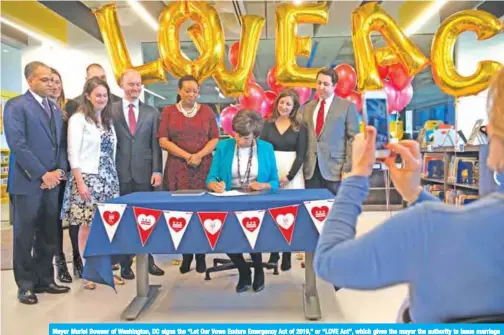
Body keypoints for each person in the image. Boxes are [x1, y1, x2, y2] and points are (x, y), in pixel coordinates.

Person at [314, 67, 504, 323]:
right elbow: (460, 235)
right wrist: (415, 194)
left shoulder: (426, 226)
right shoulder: (439, 225)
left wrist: (357, 174)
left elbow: (329, 263)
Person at [4, 61, 71, 304]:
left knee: (49, 233)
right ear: (30, 80)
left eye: (53, 80)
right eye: (45, 80)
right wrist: (43, 174)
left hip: (53, 183)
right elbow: (18, 144)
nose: (51, 84)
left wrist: (60, 171)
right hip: (28, 182)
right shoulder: (16, 106)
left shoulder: (54, 109)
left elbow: (61, 145)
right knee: (24, 235)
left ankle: (45, 279)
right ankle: (26, 285)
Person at [60, 77, 124, 290]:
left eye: (105, 95)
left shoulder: (106, 120)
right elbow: (72, 153)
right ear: (88, 96)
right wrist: (80, 183)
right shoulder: (78, 119)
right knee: (87, 226)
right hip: (87, 178)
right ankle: (89, 272)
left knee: (107, 225)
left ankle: (105, 270)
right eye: (98, 95)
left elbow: (110, 152)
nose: (102, 99)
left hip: (108, 177)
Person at [206, 110, 280, 293]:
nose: (239, 141)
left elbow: (275, 181)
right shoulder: (224, 147)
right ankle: (243, 270)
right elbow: (210, 178)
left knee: (253, 235)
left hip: (256, 202)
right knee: (226, 238)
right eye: (237, 135)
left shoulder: (266, 148)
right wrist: (215, 185)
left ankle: (258, 269)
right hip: (229, 200)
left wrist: (263, 186)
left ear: (255, 135)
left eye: (245, 137)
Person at [158, 75, 219, 274]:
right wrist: (187, 156)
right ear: (179, 91)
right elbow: (163, 140)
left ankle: (201, 256)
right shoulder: (168, 112)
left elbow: (215, 139)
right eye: (187, 90)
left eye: (195, 91)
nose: (191, 94)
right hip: (178, 168)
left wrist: (199, 156)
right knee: (181, 213)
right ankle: (186, 256)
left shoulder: (207, 111)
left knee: (202, 213)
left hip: (203, 168)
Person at [113, 69, 164, 279]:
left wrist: (157, 170)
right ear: (122, 85)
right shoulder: (111, 110)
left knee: (146, 219)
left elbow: (156, 145)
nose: (135, 88)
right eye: (131, 84)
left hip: (145, 174)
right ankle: (125, 263)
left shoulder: (151, 112)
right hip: (120, 172)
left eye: (138, 84)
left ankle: (149, 260)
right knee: (124, 220)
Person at [260, 88, 307, 271]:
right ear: (276, 103)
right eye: (281, 102)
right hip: (272, 171)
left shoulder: (300, 127)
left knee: (290, 215)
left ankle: (287, 253)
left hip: (291, 173)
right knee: (273, 213)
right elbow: (262, 151)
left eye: (288, 103)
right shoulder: (267, 124)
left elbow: (301, 156)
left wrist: (288, 177)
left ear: (294, 106)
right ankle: (274, 252)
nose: (284, 106)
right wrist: (271, 176)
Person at [48, 67, 76, 284]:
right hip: (52, 174)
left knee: (75, 220)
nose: (54, 86)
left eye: (57, 82)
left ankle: (78, 260)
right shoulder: (41, 109)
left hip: (71, 170)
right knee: (55, 220)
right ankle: (60, 260)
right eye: (50, 82)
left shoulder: (70, 108)